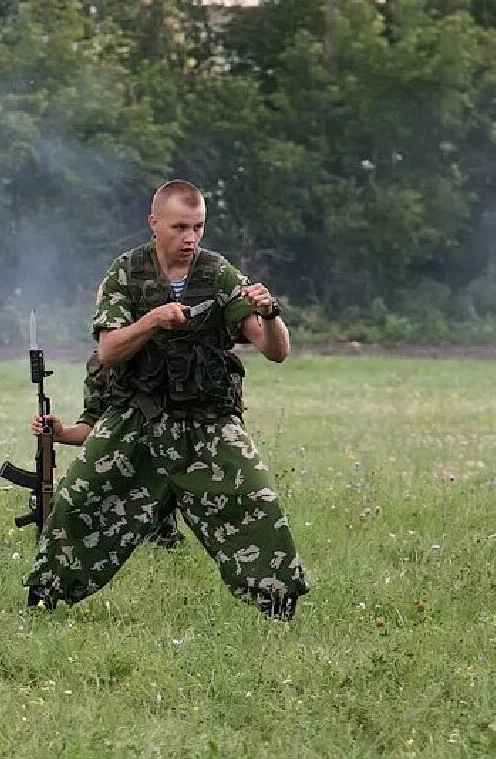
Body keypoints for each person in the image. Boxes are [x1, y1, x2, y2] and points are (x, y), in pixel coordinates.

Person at [23, 179, 309, 619]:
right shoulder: (127, 273)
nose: (190, 238)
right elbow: (110, 350)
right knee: (80, 500)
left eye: (198, 227)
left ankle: (279, 603)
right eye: (179, 227)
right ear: (155, 224)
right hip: (137, 418)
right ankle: (47, 594)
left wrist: (270, 314)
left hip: (207, 421)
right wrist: (152, 320)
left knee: (257, 503)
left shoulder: (218, 274)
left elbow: (276, 350)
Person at [31, 354, 182, 550]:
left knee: (155, 537)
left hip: (160, 462)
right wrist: (60, 433)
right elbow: (93, 425)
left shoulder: (173, 355)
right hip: (113, 464)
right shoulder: (101, 364)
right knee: (67, 503)